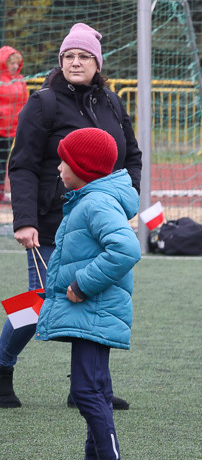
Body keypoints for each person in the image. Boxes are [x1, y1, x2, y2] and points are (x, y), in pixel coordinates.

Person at [1, 23, 141, 410]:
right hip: (50, 224)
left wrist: (126, 205)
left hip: (98, 221)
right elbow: (23, 165)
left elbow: (131, 158)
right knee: (39, 302)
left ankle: (89, 386)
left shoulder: (111, 102)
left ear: (98, 63)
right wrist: (24, 219)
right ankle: (1, 367)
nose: (75, 63)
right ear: (60, 61)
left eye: (83, 57)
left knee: (94, 301)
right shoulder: (43, 102)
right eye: (68, 56)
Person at [39, 128, 141, 460]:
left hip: (94, 310)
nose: (60, 166)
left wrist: (82, 285)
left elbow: (126, 248)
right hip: (91, 314)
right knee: (94, 388)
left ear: (85, 167)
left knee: (86, 390)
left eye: (65, 160)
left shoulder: (96, 203)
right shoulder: (87, 198)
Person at [1, 45, 28, 200]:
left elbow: (24, 102)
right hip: (1, 127)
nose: (15, 66)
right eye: (12, 63)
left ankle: (4, 191)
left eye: (17, 63)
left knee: (8, 160)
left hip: (13, 128)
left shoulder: (20, 80)